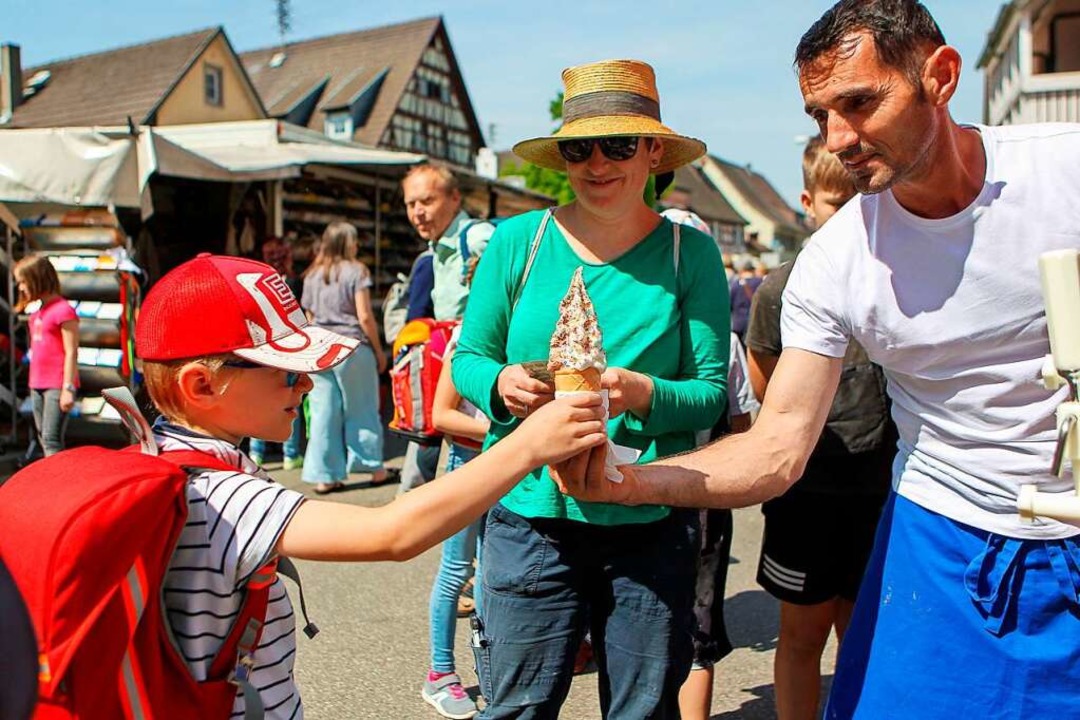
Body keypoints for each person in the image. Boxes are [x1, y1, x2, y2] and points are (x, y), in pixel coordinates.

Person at [553, 2, 1080, 718]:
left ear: (941, 77)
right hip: (945, 531)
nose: (838, 139)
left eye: (859, 103)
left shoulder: (1064, 168)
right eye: (819, 115)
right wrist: (629, 481)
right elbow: (776, 447)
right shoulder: (836, 260)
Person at [133, 253, 606, 719]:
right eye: (289, 374)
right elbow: (392, 533)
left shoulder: (160, 454)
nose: (307, 388)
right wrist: (527, 447)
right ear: (201, 386)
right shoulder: (220, 496)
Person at [453, 58, 729, 719]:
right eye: (580, 147)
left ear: (653, 150)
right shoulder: (521, 240)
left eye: (619, 144)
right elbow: (469, 357)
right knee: (517, 708)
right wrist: (501, 383)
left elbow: (711, 393)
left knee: (641, 711)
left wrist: (642, 393)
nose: (598, 163)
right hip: (529, 517)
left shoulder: (688, 255)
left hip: (648, 517)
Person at [745, 136, 895, 720]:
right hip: (805, 491)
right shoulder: (780, 288)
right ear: (808, 202)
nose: (851, 210)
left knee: (862, 639)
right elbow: (763, 384)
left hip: (881, 489)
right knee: (802, 637)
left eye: (862, 195)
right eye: (837, 201)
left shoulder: (892, 274)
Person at [397, 165, 495, 497]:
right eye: (411, 204)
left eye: (427, 200)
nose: (417, 213)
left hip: (478, 379)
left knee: (469, 479)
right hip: (454, 375)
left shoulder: (477, 237)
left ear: (455, 198)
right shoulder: (436, 249)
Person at [423, 323, 490, 719]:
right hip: (467, 461)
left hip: (508, 464)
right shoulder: (470, 332)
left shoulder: (526, 324)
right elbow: (442, 414)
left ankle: (491, 670)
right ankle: (440, 673)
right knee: (456, 571)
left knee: (492, 575)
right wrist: (506, 431)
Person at [300, 222, 390, 493]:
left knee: (323, 413)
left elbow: (309, 317)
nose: (357, 245)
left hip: (321, 349)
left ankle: (325, 476)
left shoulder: (312, 274)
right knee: (361, 408)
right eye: (354, 240)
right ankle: (373, 467)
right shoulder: (356, 271)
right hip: (352, 346)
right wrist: (378, 350)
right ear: (347, 242)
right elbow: (364, 316)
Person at [249, 237, 305, 469]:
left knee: (260, 398)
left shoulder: (256, 283)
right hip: (289, 346)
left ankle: (256, 453)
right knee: (290, 397)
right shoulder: (294, 282)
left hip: (263, 347)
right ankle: (290, 455)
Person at [14, 254, 78, 457]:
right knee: (44, 438)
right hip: (37, 384)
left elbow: (71, 351)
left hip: (56, 385)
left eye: (24, 282)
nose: (21, 288)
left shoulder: (63, 311)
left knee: (51, 440)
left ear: (37, 279)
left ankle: (59, 484)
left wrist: (68, 387)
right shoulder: (38, 312)